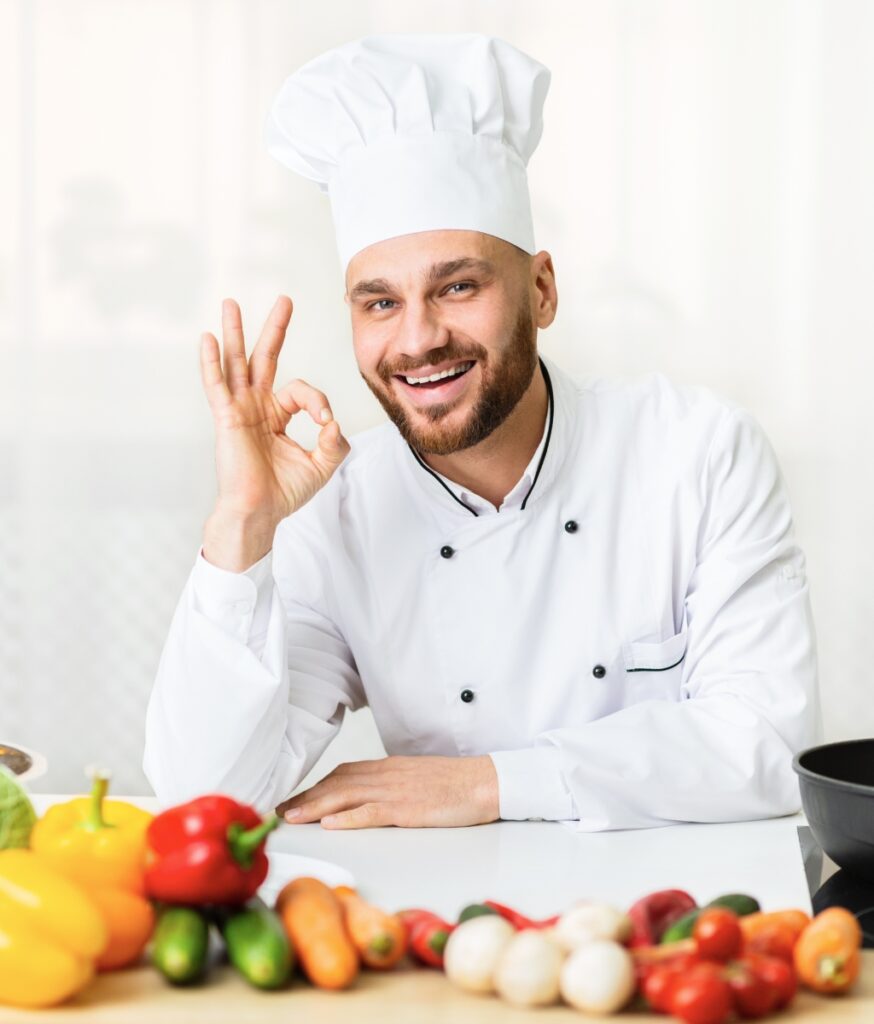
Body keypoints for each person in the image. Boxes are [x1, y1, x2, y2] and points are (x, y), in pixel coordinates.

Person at [143, 33, 820, 831]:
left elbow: (770, 743)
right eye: (380, 302)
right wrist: (241, 527)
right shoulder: (338, 509)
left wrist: (488, 784)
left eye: (457, 286)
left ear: (540, 290)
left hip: (666, 923)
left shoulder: (698, 452)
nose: (418, 339)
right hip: (441, 931)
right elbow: (204, 800)